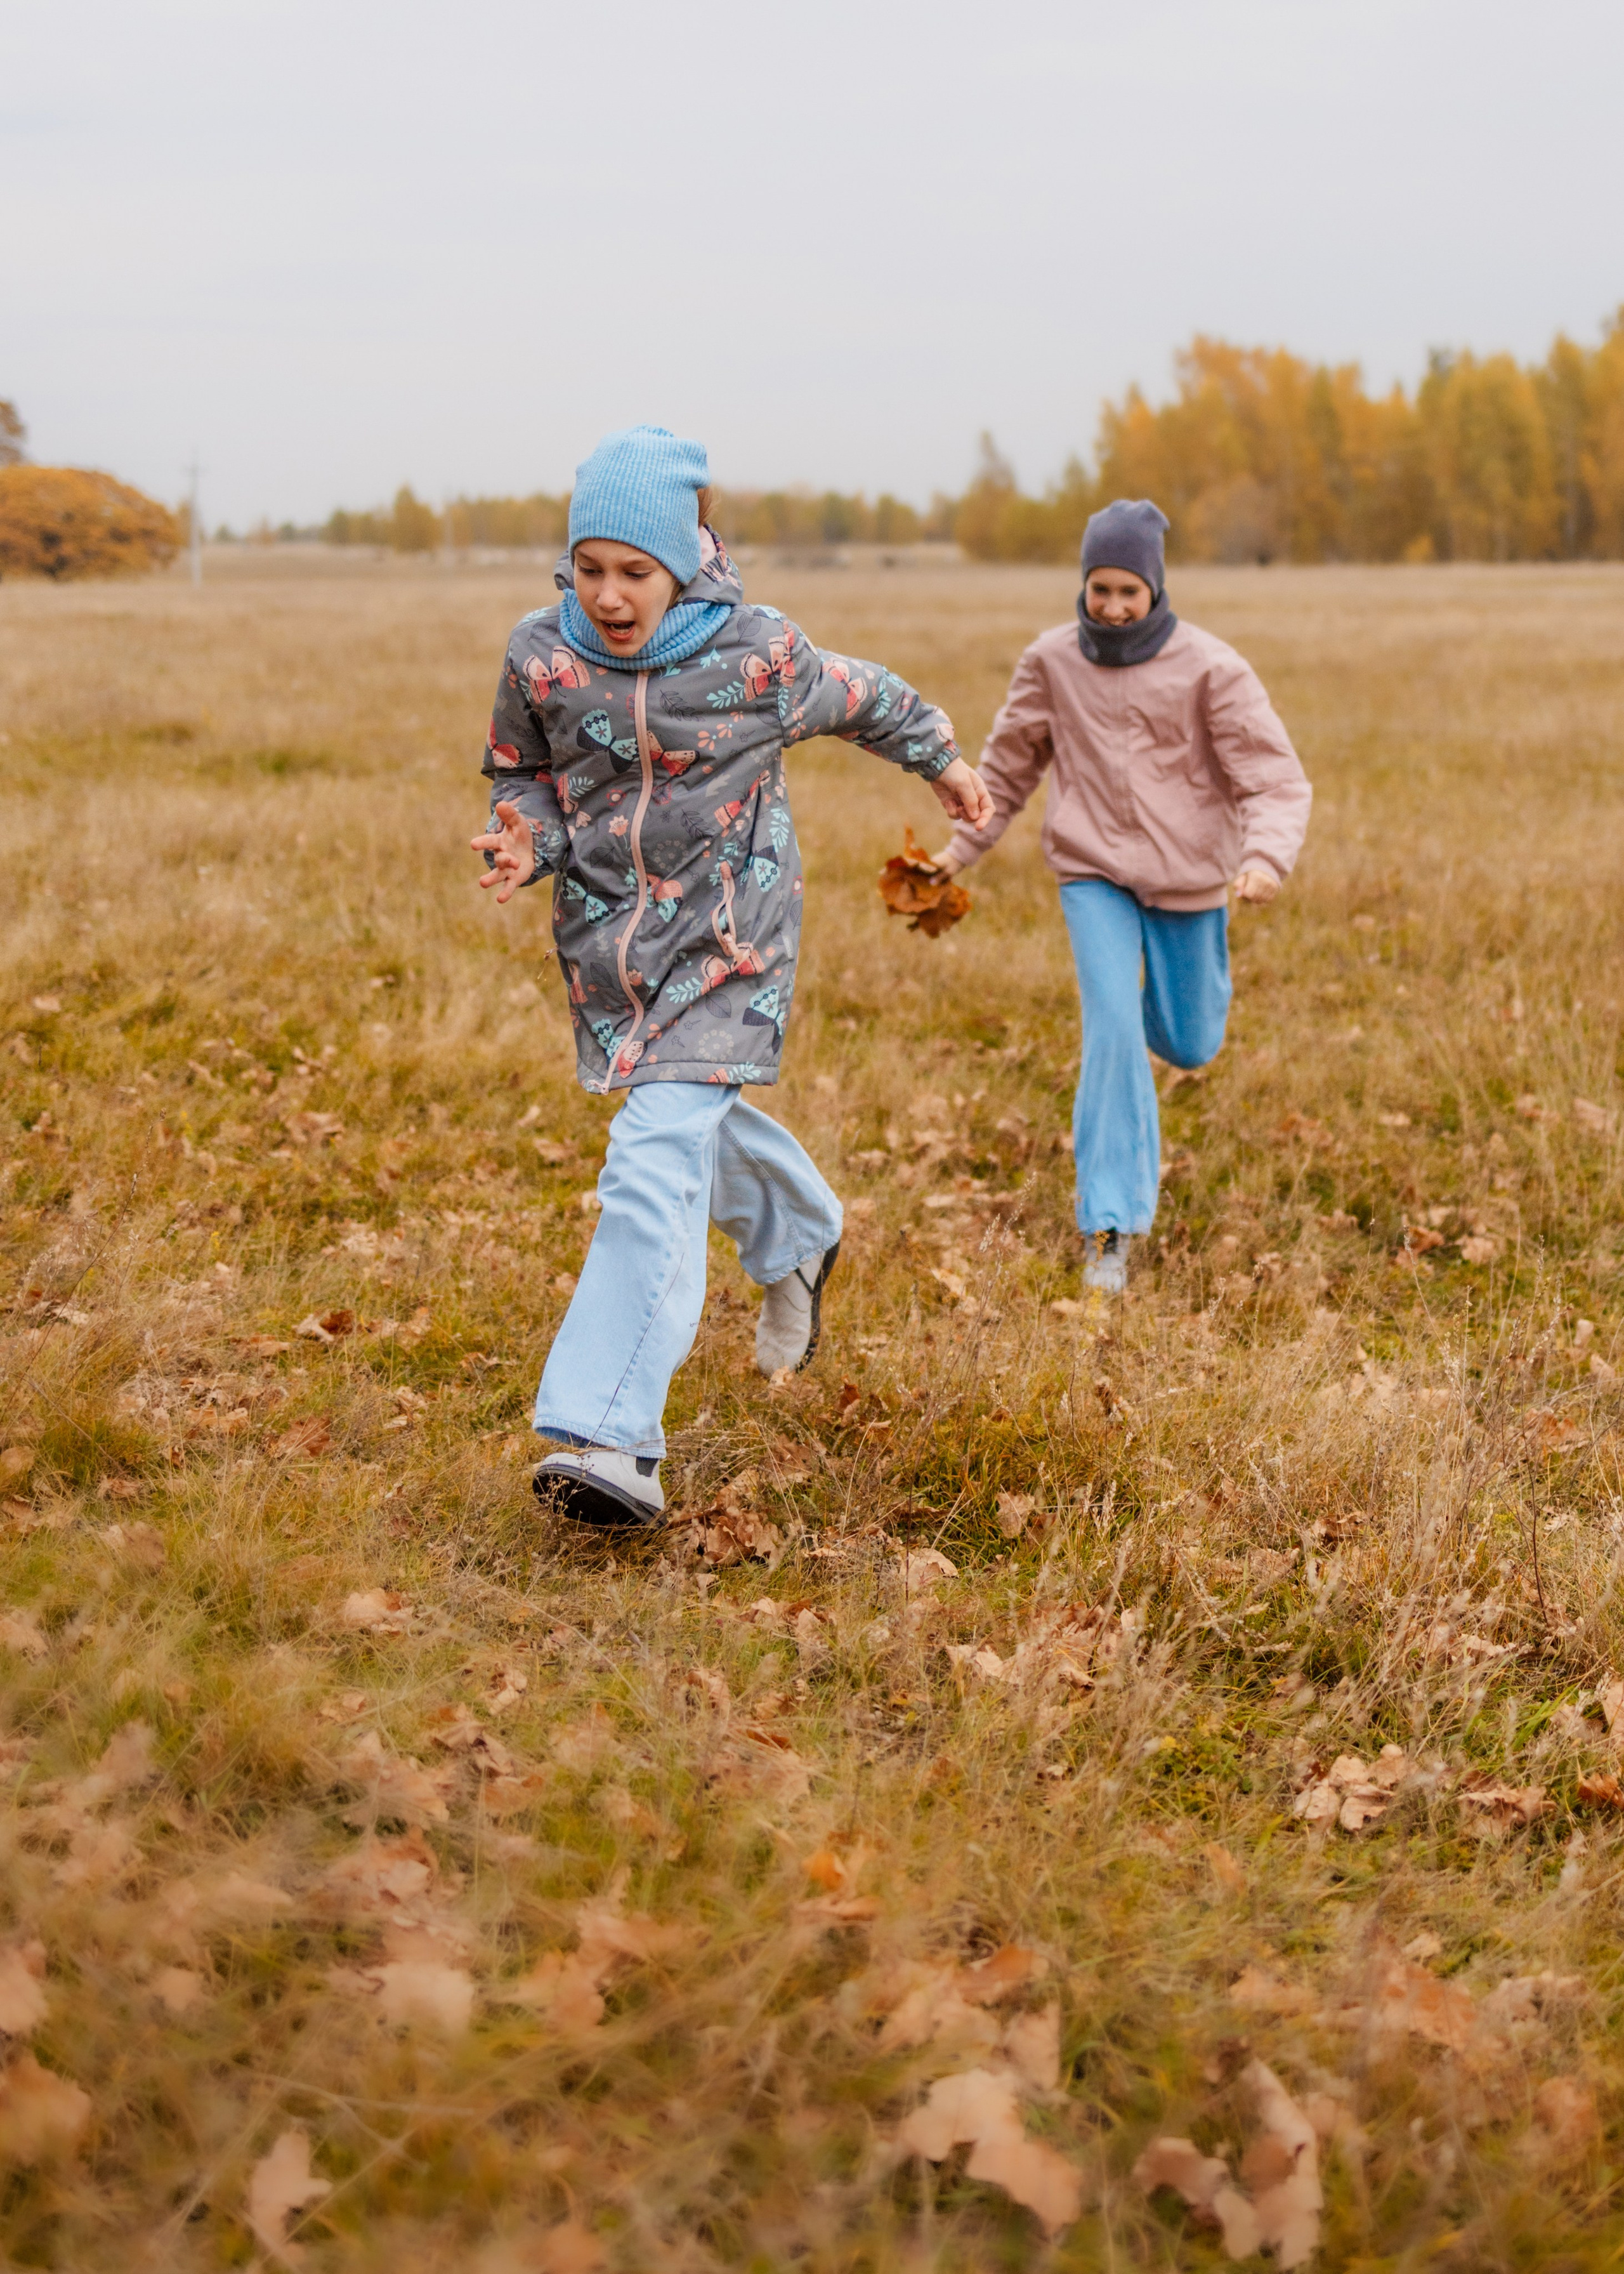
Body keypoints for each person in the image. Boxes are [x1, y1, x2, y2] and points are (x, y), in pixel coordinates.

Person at [473, 425, 993, 1527]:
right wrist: (521, 839)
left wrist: (945, 761)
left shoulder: (756, 655)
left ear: (687, 559)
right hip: (614, 952)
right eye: (590, 567)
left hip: (728, 946)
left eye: (634, 572)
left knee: (654, 1153)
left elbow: (868, 696)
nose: (609, 594)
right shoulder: (541, 656)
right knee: (683, 1120)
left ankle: (612, 1433)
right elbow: (525, 778)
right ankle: (801, 1236)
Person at [933, 497, 1310, 1294]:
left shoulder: (1211, 667)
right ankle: (1110, 1225)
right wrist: (955, 854)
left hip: (1190, 878)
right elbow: (1003, 774)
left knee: (1191, 1041)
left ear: (1154, 588)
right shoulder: (1051, 661)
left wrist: (1265, 860)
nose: (1109, 606)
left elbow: (1272, 777)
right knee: (1109, 1024)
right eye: (1098, 588)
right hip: (1091, 870)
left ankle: (1145, 1037)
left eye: (1126, 592)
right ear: (1083, 583)